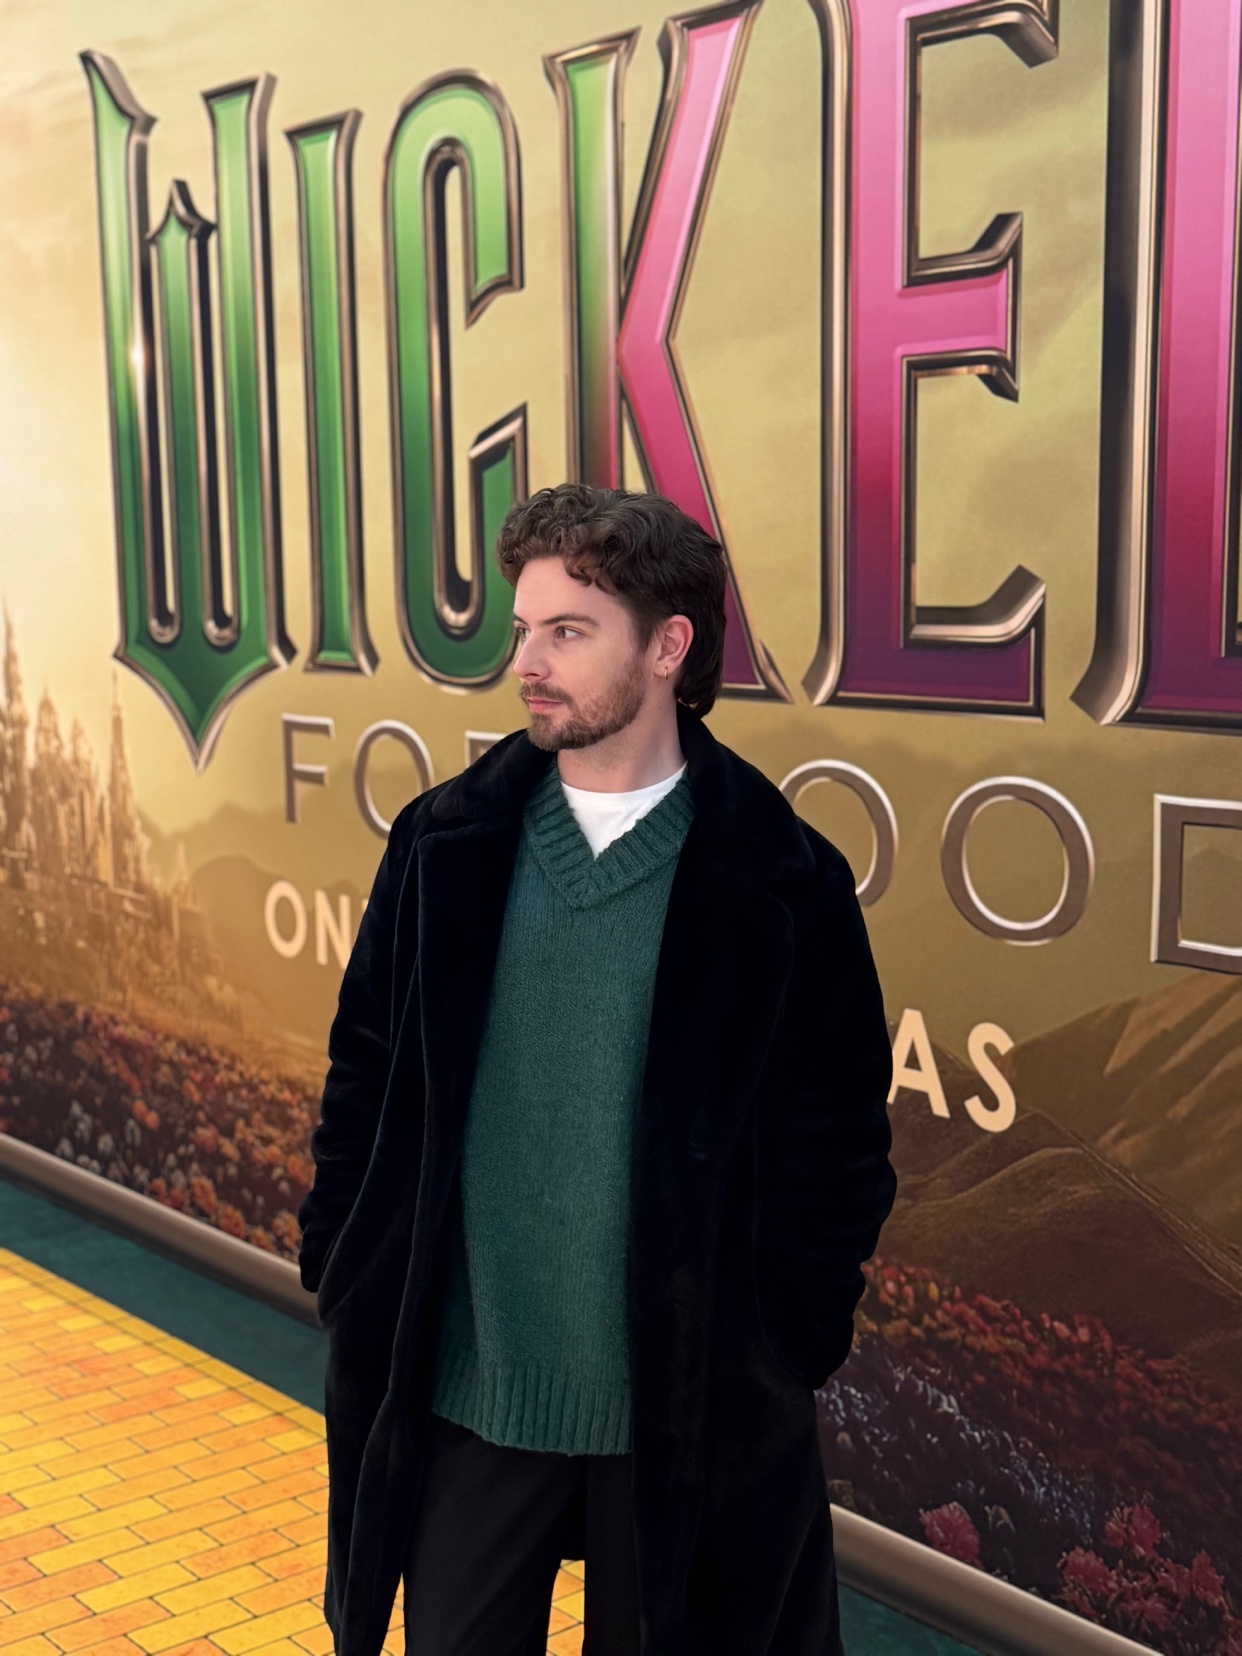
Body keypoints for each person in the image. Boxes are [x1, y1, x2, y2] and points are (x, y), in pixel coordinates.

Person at [296, 483, 897, 1656]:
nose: (529, 661)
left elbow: (839, 1146)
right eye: (523, 629)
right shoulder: (442, 849)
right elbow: (362, 1077)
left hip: (687, 1412)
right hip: (474, 1388)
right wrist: (344, 1259)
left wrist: (785, 1341)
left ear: (670, 647)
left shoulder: (782, 883)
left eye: (568, 632)